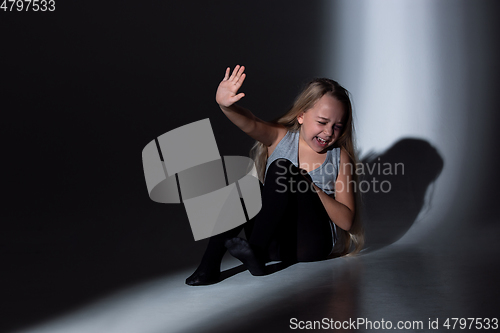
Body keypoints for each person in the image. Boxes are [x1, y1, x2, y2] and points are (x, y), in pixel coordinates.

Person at [186, 65, 364, 286]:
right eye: (322, 122)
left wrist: (311, 186)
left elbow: (347, 221)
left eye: (337, 126)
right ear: (301, 116)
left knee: (282, 168)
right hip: (275, 243)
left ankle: (256, 253)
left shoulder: (339, 157)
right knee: (246, 186)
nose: (329, 132)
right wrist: (226, 106)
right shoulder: (280, 137)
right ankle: (209, 266)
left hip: (310, 244)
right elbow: (250, 122)